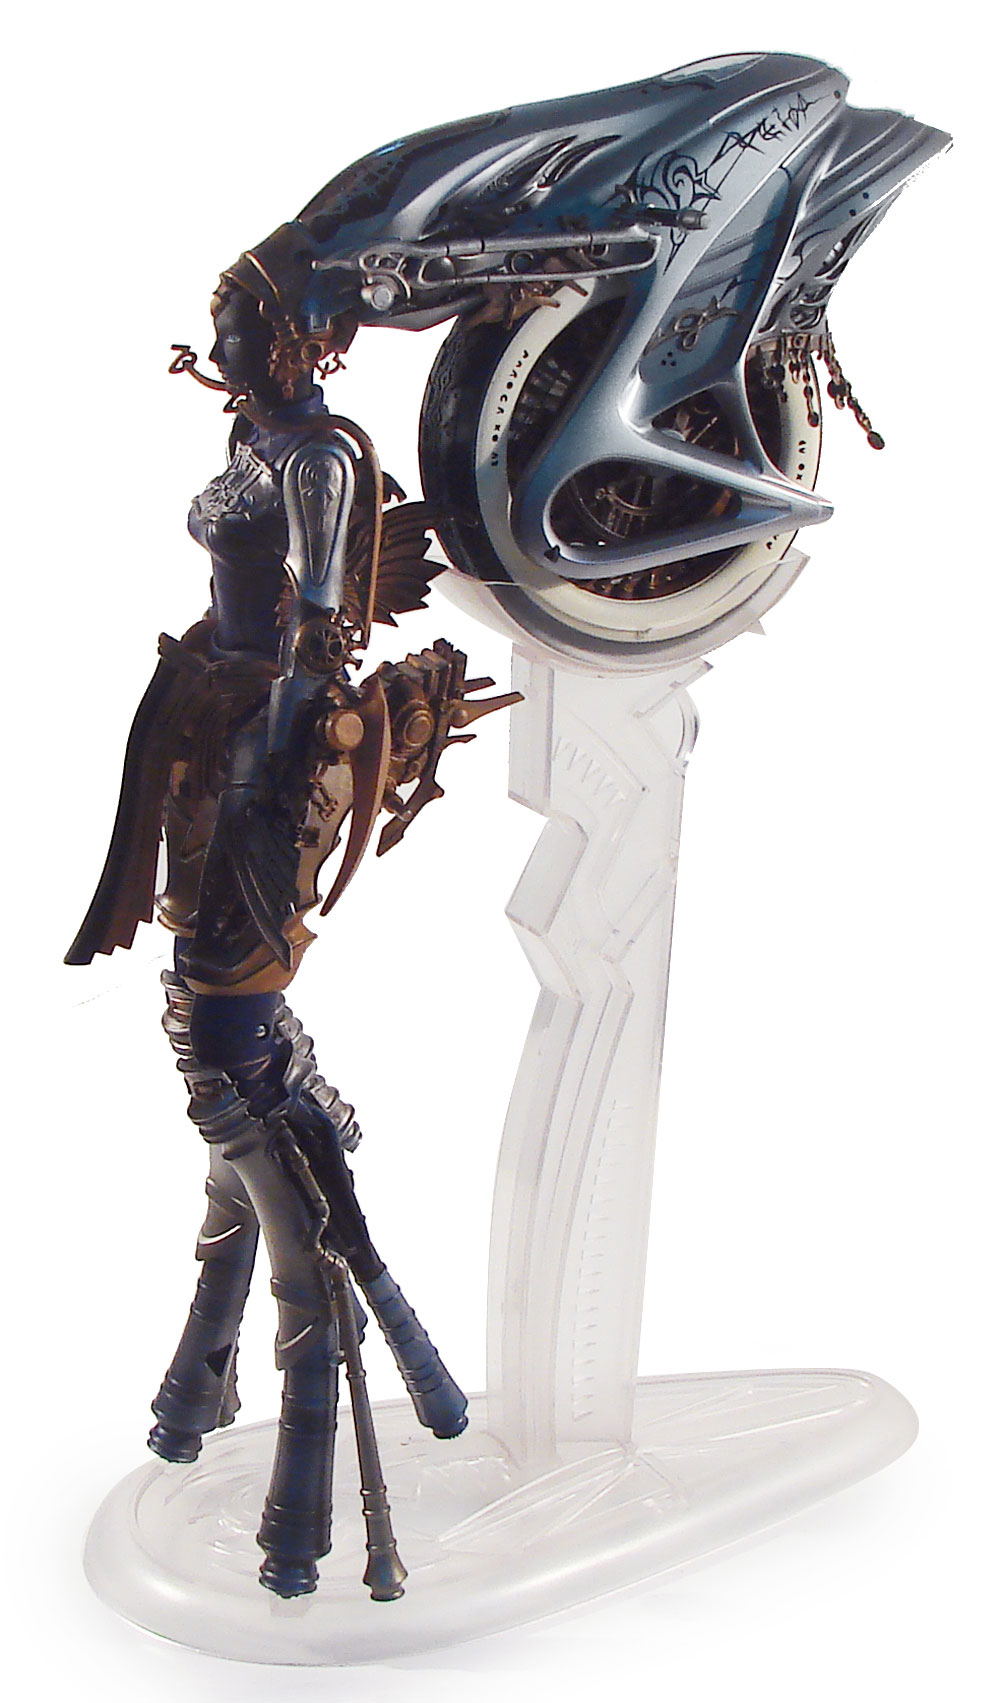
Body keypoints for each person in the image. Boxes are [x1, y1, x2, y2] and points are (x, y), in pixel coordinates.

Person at [65, 257, 515, 1599]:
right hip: (213, 728)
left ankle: (302, 1359)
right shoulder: (253, 438)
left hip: (275, 754)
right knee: (215, 1038)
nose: (218, 344)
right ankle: (215, 1365)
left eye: (238, 327)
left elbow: (319, 635)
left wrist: (273, 780)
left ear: (295, 340)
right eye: (218, 325)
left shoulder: (318, 457)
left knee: (220, 1025)